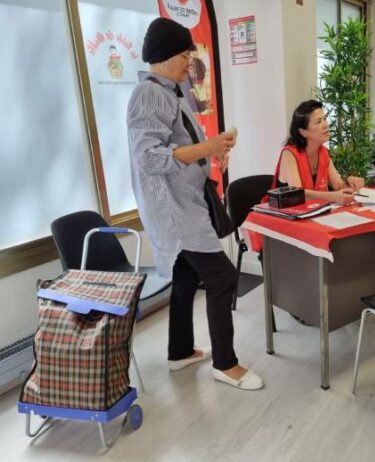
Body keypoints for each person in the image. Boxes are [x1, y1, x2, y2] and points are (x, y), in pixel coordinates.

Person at [127, 17, 263, 390]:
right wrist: (208, 148)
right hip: (174, 209)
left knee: (186, 276)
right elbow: (149, 157)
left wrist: (214, 150)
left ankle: (179, 352)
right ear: (169, 55)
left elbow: (180, 147)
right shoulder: (150, 94)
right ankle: (226, 363)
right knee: (222, 277)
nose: (190, 63)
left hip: (183, 202)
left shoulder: (168, 91)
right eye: (186, 55)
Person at [274, 100, 365, 204]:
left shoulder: (323, 152)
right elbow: (297, 193)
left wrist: (350, 183)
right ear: (303, 132)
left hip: (313, 212)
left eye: (325, 119)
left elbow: (338, 186)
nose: (326, 125)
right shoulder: (289, 154)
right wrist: (332, 196)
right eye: (318, 122)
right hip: (284, 216)